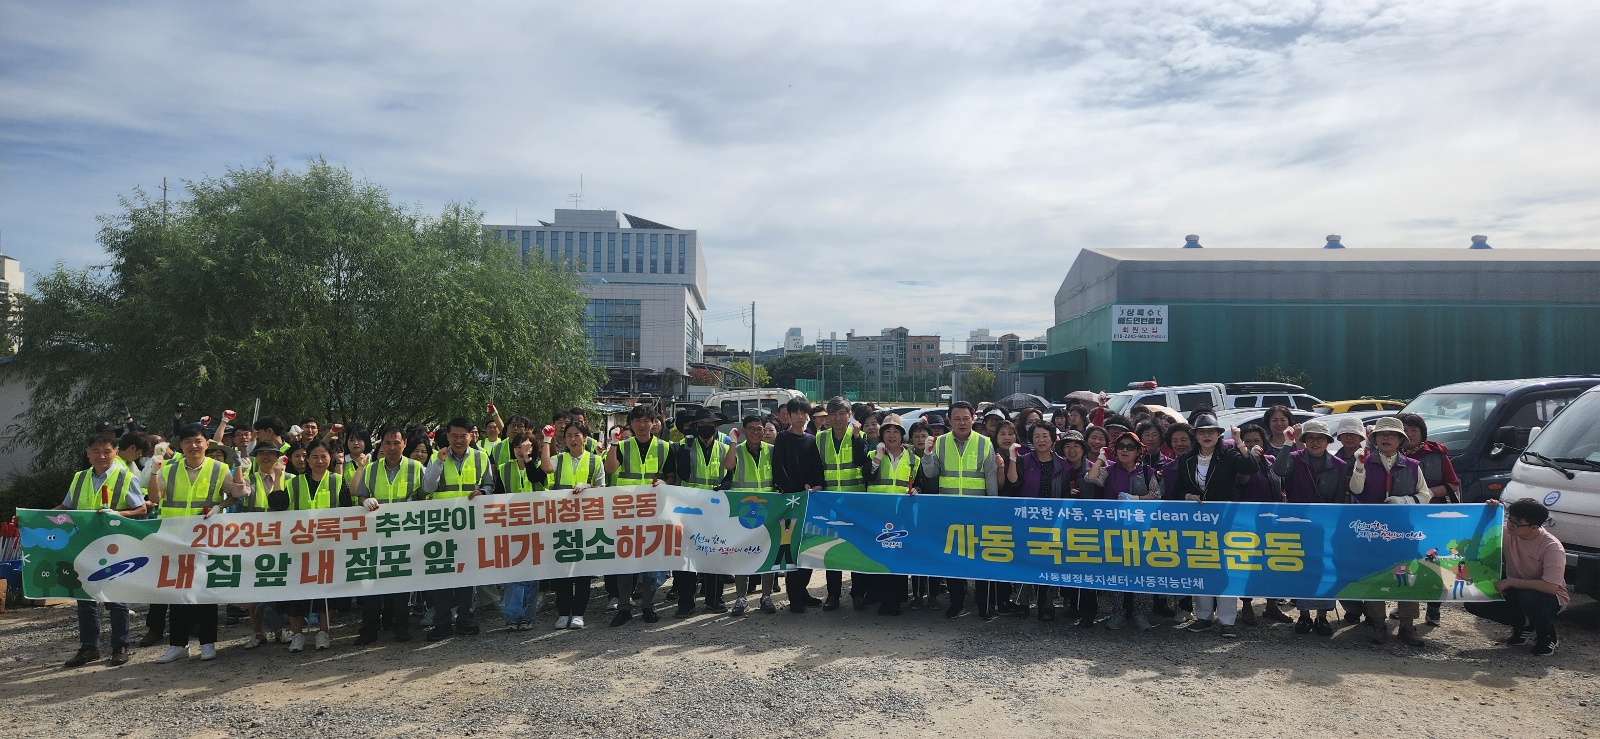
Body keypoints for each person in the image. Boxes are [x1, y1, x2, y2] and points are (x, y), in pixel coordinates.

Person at [150, 424, 245, 663]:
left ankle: (207, 643)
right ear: (181, 445)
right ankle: (178, 644)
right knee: (177, 590)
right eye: (188, 441)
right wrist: (153, 472)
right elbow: (154, 498)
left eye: (198, 441)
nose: (193, 446)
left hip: (205, 537)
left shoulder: (219, 468)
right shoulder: (168, 468)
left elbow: (237, 492)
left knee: (205, 590)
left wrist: (220, 506)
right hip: (175, 536)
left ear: (207, 443)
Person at [59, 430, 149, 668]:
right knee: (85, 598)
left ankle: (120, 646)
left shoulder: (126, 477)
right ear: (88, 454)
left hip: (115, 547)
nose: (101, 456)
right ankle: (89, 648)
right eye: (96, 451)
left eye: (106, 451)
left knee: (117, 597)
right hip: (84, 547)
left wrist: (118, 513)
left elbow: (141, 510)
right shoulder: (79, 478)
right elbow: (66, 507)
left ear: (115, 453)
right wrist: (35, 518)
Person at [1171, 414, 1257, 637]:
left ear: (1219, 435)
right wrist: (1187, 495)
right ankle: (1203, 617)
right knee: (1201, 567)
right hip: (1196, 524)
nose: (1206, 436)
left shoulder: (1229, 456)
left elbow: (1250, 467)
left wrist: (1239, 441)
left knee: (1225, 569)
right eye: (1201, 432)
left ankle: (1227, 621)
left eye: (1211, 432)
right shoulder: (1186, 460)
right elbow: (1177, 489)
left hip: (1224, 521)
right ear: (1195, 436)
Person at [1349, 416, 1431, 646]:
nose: (1386, 438)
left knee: (1405, 576)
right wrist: (1359, 466)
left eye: (1392, 434)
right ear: (1374, 439)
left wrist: (1404, 500)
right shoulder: (1364, 459)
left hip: (1403, 533)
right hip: (1371, 532)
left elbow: (1426, 495)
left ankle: (1407, 624)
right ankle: (1377, 623)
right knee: (1374, 575)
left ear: (1400, 440)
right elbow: (1355, 489)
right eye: (1381, 434)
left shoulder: (1413, 466)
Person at [920, 402, 999, 619]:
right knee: (953, 560)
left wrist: (993, 509)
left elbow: (990, 478)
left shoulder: (984, 443)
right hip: (950, 511)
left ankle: (984, 605)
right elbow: (930, 473)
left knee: (981, 561)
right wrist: (927, 455)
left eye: (966, 418)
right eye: (957, 418)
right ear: (949, 420)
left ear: (973, 418)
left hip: (978, 512)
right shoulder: (941, 442)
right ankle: (957, 603)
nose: (961, 422)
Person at [268, 440, 348, 652]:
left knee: (326, 592)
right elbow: (277, 506)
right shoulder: (295, 482)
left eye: (323, 457)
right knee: (297, 592)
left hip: (329, 545)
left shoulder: (339, 481)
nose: (319, 461)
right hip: (300, 547)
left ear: (330, 459)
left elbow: (348, 511)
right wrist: (277, 477)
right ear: (307, 459)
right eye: (314, 457)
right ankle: (297, 636)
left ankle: (323, 632)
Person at [347, 425, 423, 644]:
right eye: (387, 443)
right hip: (375, 535)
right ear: (381, 444)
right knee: (370, 584)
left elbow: (425, 495)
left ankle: (401, 627)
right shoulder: (371, 469)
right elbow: (360, 496)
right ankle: (369, 629)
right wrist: (365, 501)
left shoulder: (416, 467)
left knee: (400, 585)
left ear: (405, 443)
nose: (392, 447)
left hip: (404, 534)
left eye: (396, 443)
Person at [420, 417, 494, 641]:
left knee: (467, 574)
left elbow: (490, 485)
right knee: (441, 575)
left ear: (471, 436)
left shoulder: (481, 457)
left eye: (463, 436)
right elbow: (428, 487)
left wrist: (483, 492)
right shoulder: (436, 457)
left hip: (470, 525)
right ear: (448, 436)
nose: (459, 440)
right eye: (454, 436)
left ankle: (465, 620)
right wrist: (439, 463)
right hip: (442, 526)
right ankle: (442, 622)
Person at [1271, 419, 1347, 636]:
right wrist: (1288, 443)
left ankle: (1322, 617)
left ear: (1327, 441)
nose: (1315, 442)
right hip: (1298, 526)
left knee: (1325, 570)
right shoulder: (1294, 459)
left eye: (1320, 438)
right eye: (1310, 438)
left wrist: (1332, 527)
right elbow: (1278, 470)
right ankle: (1304, 615)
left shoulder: (1339, 466)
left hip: (1325, 527)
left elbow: (1340, 499)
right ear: (1304, 441)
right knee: (1302, 569)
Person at [604, 404, 677, 627]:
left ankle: (648, 606)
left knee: (651, 562)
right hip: (626, 514)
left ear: (654, 423)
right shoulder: (623, 446)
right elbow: (609, 469)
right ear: (631, 424)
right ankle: (624, 607)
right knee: (626, 563)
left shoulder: (665, 447)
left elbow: (672, 476)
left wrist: (665, 482)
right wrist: (614, 444)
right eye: (637, 421)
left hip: (653, 513)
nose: (642, 425)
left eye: (647, 421)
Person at [1082, 431, 1159, 631]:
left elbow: (1157, 496)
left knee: (1140, 572)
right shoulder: (1110, 470)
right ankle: (1117, 612)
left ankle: (1139, 613)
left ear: (1138, 451)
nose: (1125, 450)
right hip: (1114, 530)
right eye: (1121, 446)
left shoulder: (1147, 472)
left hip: (1141, 531)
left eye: (1130, 447)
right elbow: (1090, 478)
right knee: (1117, 571)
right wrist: (1101, 457)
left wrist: (1135, 499)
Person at [1468, 499, 1566, 655]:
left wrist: (1511, 581)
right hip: (1515, 589)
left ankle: (1547, 637)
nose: (1509, 525)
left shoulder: (1552, 547)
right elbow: (1481, 534)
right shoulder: (1507, 532)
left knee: (1530, 599)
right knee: (1473, 600)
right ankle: (1524, 623)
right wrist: (1489, 511)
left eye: (1516, 523)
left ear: (1534, 527)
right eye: (1509, 519)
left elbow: (1551, 587)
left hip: (1548, 596)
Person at [1397, 413, 1463, 626]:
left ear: (1422, 433)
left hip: (1434, 517)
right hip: (1404, 518)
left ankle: (1433, 609)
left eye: (1413, 431)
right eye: (1405, 431)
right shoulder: (1389, 453)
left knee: (1435, 562)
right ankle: (1404, 607)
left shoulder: (1437, 455)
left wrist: (1423, 494)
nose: (1409, 435)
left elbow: (1453, 485)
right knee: (1406, 562)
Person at [546, 422, 605, 629]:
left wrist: (589, 486)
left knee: (582, 570)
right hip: (561, 520)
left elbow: (602, 489)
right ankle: (563, 612)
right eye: (568, 435)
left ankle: (579, 612)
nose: (572, 439)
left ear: (585, 437)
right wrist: (546, 440)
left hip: (585, 521)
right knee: (562, 569)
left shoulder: (595, 460)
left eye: (577, 435)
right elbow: (545, 469)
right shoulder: (558, 459)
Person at [816, 397, 871, 611]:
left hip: (855, 501)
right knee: (833, 550)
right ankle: (833, 595)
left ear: (849, 415)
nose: (838, 418)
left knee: (856, 549)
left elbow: (862, 463)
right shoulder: (820, 438)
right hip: (830, 503)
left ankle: (857, 593)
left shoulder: (861, 436)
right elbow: (816, 467)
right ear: (828, 417)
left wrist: (857, 437)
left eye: (842, 414)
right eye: (833, 414)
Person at [674, 408, 731, 617]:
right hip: (688, 511)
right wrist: (686, 448)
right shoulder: (681, 446)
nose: (707, 428)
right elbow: (683, 473)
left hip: (715, 510)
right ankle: (685, 601)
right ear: (696, 427)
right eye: (702, 425)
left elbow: (729, 474)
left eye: (711, 425)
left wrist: (725, 485)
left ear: (716, 427)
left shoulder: (724, 449)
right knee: (685, 558)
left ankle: (714, 599)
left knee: (714, 555)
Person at [772, 398, 825, 612]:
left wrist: (817, 485)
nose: (800, 416)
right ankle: (794, 597)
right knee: (791, 549)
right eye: (796, 413)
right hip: (790, 502)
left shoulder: (812, 440)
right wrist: (794, 491)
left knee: (809, 548)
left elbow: (816, 468)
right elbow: (779, 468)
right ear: (789, 415)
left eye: (804, 412)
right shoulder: (782, 438)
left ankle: (803, 591)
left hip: (809, 500)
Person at [723, 414, 779, 616]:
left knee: (768, 553)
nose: (756, 432)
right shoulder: (736, 451)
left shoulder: (772, 451)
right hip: (742, 512)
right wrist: (733, 442)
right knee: (742, 555)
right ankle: (741, 598)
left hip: (768, 511)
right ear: (744, 430)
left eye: (759, 429)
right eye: (752, 429)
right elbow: (728, 467)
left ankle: (766, 596)